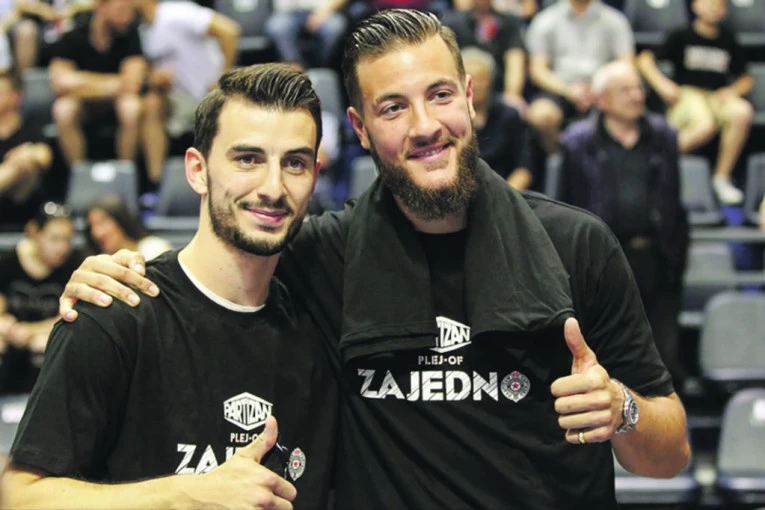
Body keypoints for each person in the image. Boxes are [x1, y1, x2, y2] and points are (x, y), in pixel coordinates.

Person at [56, 9, 690, 509]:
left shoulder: (578, 245)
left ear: (470, 98)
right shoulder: (322, 256)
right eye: (393, 107)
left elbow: (670, 453)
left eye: (440, 94)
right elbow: (223, 263)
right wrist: (129, 269)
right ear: (360, 129)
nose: (425, 125)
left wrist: (622, 409)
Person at [2, 64, 338, 509]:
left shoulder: (324, 324)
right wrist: (185, 495)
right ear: (197, 170)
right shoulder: (115, 311)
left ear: (315, 175)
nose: (273, 187)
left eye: (294, 163)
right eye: (248, 159)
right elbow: (19, 498)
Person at [558, 60, 689, 390]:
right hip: (602, 261)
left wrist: (675, 253)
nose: (636, 95)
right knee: (606, 355)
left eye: (638, 88)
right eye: (625, 90)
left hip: (657, 256)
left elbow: (673, 199)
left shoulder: (664, 135)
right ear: (601, 100)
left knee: (661, 359)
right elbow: (565, 203)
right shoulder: (577, 141)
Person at [637, 0, 753, 205]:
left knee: (742, 111)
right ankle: (655, 162)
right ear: (694, 6)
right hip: (687, 95)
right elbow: (644, 59)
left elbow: (745, 79)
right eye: (707, 3)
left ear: (725, 11)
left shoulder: (728, 39)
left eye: (718, 5)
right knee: (705, 124)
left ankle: (721, 177)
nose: (712, 8)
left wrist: (732, 91)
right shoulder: (681, 35)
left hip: (716, 96)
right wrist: (663, 85)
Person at [137, 0, 240, 184]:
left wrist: (222, 76)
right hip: (179, 100)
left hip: (211, 94)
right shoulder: (141, 30)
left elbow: (229, 30)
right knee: (151, 104)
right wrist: (156, 78)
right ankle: (157, 184)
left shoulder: (177, 13)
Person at [525, 0, 634, 153]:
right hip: (560, 88)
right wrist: (568, 90)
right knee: (541, 115)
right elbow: (538, 70)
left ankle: (616, 159)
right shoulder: (545, 20)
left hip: (602, 89)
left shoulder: (615, 20)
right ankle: (561, 158)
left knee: (629, 105)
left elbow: (626, 64)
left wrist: (600, 89)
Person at [49, 0, 146, 166]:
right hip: (84, 105)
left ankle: (125, 170)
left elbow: (132, 84)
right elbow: (59, 83)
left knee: (132, 108)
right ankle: (79, 171)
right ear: (101, 7)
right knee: (63, 109)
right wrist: (112, 83)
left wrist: (80, 81)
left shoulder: (131, 35)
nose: (128, 17)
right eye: (121, 10)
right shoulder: (73, 35)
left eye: (130, 10)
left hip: (116, 103)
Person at [0, 202, 81, 394]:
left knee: (44, 343)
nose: (62, 248)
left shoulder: (74, 266)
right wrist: (4, 323)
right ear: (34, 233)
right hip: (11, 336)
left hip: (48, 336)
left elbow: (72, 314)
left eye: (67, 240)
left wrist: (30, 331)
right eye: (54, 239)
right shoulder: (8, 262)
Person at [462, 45, 533, 189]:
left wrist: (505, 196)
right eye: (468, 80)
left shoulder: (509, 115)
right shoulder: (450, 118)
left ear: (490, 79)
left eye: (480, 78)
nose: (474, 86)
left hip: (506, 191)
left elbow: (523, 169)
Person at [442, 0, 527, 113]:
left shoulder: (508, 21)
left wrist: (513, 93)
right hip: (461, 86)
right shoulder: (453, 21)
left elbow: (515, 56)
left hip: (498, 88)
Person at [0, 70, 53, 231]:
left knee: (25, 163)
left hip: (25, 201)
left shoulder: (30, 129)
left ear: (16, 97)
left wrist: (27, 152)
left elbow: (45, 156)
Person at [265, 0, 347, 69]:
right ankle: (294, 68)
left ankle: (321, 68)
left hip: (323, 10)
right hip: (286, 12)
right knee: (278, 26)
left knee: (335, 26)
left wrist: (324, 11)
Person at [86, 195, 172, 260]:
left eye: (101, 223)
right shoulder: (100, 261)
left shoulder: (153, 248)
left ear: (120, 219)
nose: (96, 233)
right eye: (92, 226)